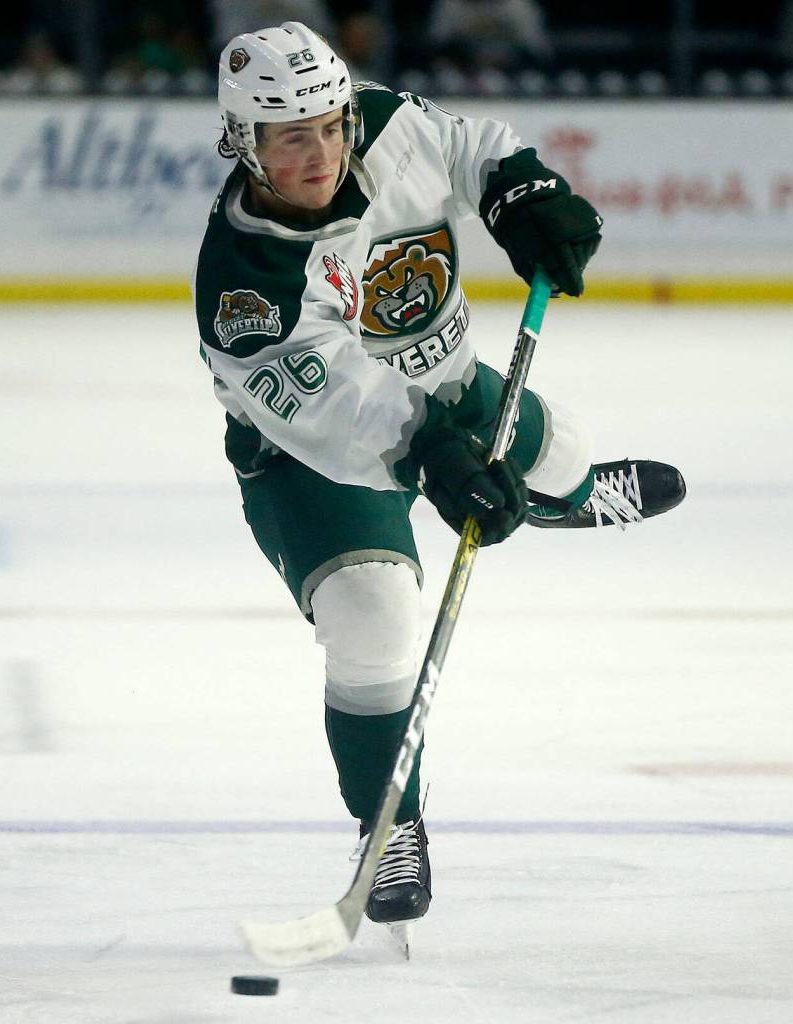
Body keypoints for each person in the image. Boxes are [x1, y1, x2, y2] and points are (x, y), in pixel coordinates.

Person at [194, 22, 684, 943]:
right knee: (374, 616)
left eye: (331, 125)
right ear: (243, 144)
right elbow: (338, 410)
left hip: (448, 389)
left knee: (564, 446)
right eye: (291, 137)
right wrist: (437, 458)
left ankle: (560, 498)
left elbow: (473, 148)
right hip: (313, 455)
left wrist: (521, 195)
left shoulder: (386, 126)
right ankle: (391, 826)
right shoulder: (244, 285)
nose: (323, 151)